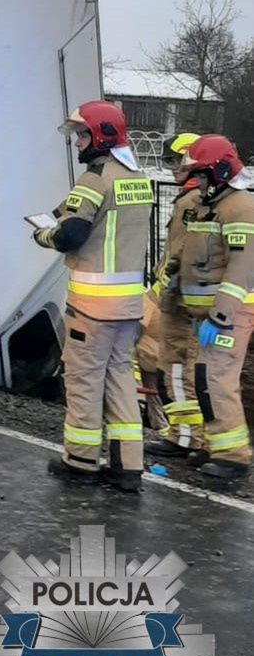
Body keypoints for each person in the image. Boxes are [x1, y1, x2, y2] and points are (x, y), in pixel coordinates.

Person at [33, 101, 152, 492]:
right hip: (128, 306)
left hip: (92, 305)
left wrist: (44, 234)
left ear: (100, 135)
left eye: (83, 134)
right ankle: (128, 468)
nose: (78, 143)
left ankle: (81, 460)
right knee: (119, 378)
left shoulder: (94, 178)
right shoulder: (139, 178)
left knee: (84, 379)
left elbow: (70, 235)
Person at [176, 134, 254, 480]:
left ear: (219, 171)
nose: (199, 182)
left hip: (230, 315)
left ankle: (234, 456)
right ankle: (214, 445)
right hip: (208, 315)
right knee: (205, 378)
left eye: (203, 174)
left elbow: (241, 267)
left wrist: (220, 316)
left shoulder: (240, 208)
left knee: (218, 380)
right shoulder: (213, 205)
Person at [144, 133, 204, 457]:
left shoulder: (190, 202)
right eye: (168, 161)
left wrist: (166, 285)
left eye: (176, 160)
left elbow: (182, 253)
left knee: (180, 367)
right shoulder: (199, 197)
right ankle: (195, 437)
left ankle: (186, 438)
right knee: (186, 369)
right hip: (188, 300)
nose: (171, 168)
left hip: (183, 302)